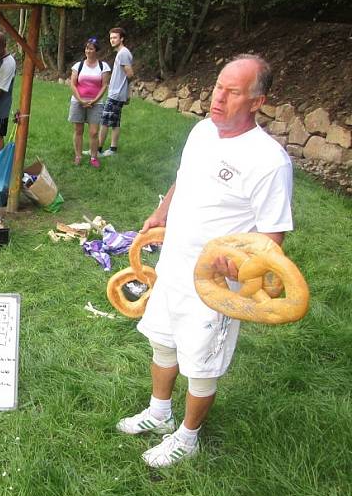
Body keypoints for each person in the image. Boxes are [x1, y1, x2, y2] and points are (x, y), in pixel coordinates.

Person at [116, 55, 293, 468]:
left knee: (201, 358)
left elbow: (272, 235)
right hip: (174, 261)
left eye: (232, 92)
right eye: (218, 87)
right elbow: (184, 177)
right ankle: (159, 413)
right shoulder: (201, 131)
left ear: (256, 101)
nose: (218, 97)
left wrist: (244, 267)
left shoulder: (268, 160)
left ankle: (188, 438)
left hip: (213, 281)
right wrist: (162, 211)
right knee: (163, 339)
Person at [68, 37, 110, 168]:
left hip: (96, 103)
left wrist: (94, 100)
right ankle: (78, 156)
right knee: (78, 130)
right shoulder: (78, 66)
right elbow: (73, 84)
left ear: (96, 50)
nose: (88, 51)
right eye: (87, 48)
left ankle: (93, 157)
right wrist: (81, 100)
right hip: (78, 101)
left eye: (91, 49)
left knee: (93, 132)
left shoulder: (103, 66)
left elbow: (104, 86)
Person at [98, 27, 134, 157]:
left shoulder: (123, 53)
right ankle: (112, 149)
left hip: (116, 94)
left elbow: (130, 74)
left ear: (121, 38)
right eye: (111, 38)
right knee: (115, 122)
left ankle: (97, 150)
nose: (112, 40)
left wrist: (126, 91)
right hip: (118, 93)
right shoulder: (122, 53)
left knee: (105, 121)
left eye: (115, 37)